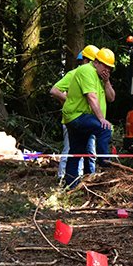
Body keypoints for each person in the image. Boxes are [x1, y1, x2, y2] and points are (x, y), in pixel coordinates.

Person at [50, 45, 108, 182]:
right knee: (73, 150)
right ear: (87, 60)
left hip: (87, 118)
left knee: (86, 152)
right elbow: (54, 90)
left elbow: (108, 97)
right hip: (77, 117)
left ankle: (85, 180)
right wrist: (70, 101)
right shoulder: (78, 73)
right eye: (95, 61)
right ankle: (64, 178)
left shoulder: (96, 77)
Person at [62, 47, 117, 188]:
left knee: (76, 152)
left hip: (81, 117)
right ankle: (105, 162)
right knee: (105, 129)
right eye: (105, 66)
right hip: (77, 115)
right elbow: (91, 97)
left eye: (110, 68)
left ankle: (70, 185)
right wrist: (101, 119)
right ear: (97, 62)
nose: (107, 70)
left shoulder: (100, 77)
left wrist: (106, 81)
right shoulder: (87, 71)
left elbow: (111, 98)